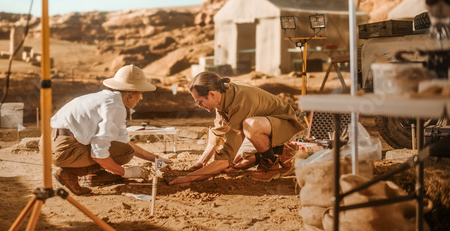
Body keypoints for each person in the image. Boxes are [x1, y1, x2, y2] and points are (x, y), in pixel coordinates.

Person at [48, 64, 171, 195]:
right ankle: (70, 174)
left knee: (121, 148)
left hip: (49, 144)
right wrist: (126, 173)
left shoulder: (105, 99)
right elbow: (99, 153)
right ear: (129, 93)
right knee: (125, 153)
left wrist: (156, 158)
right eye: (140, 93)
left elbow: (123, 142)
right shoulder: (115, 106)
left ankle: (96, 175)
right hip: (63, 149)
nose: (141, 98)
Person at [169, 71, 304, 185]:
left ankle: (272, 163)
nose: (199, 106)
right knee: (236, 163)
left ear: (211, 94)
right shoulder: (222, 96)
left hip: (284, 124)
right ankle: (280, 152)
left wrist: (189, 178)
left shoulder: (239, 102)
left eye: (200, 101)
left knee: (249, 127)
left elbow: (225, 156)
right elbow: (219, 132)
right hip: (264, 127)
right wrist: (201, 162)